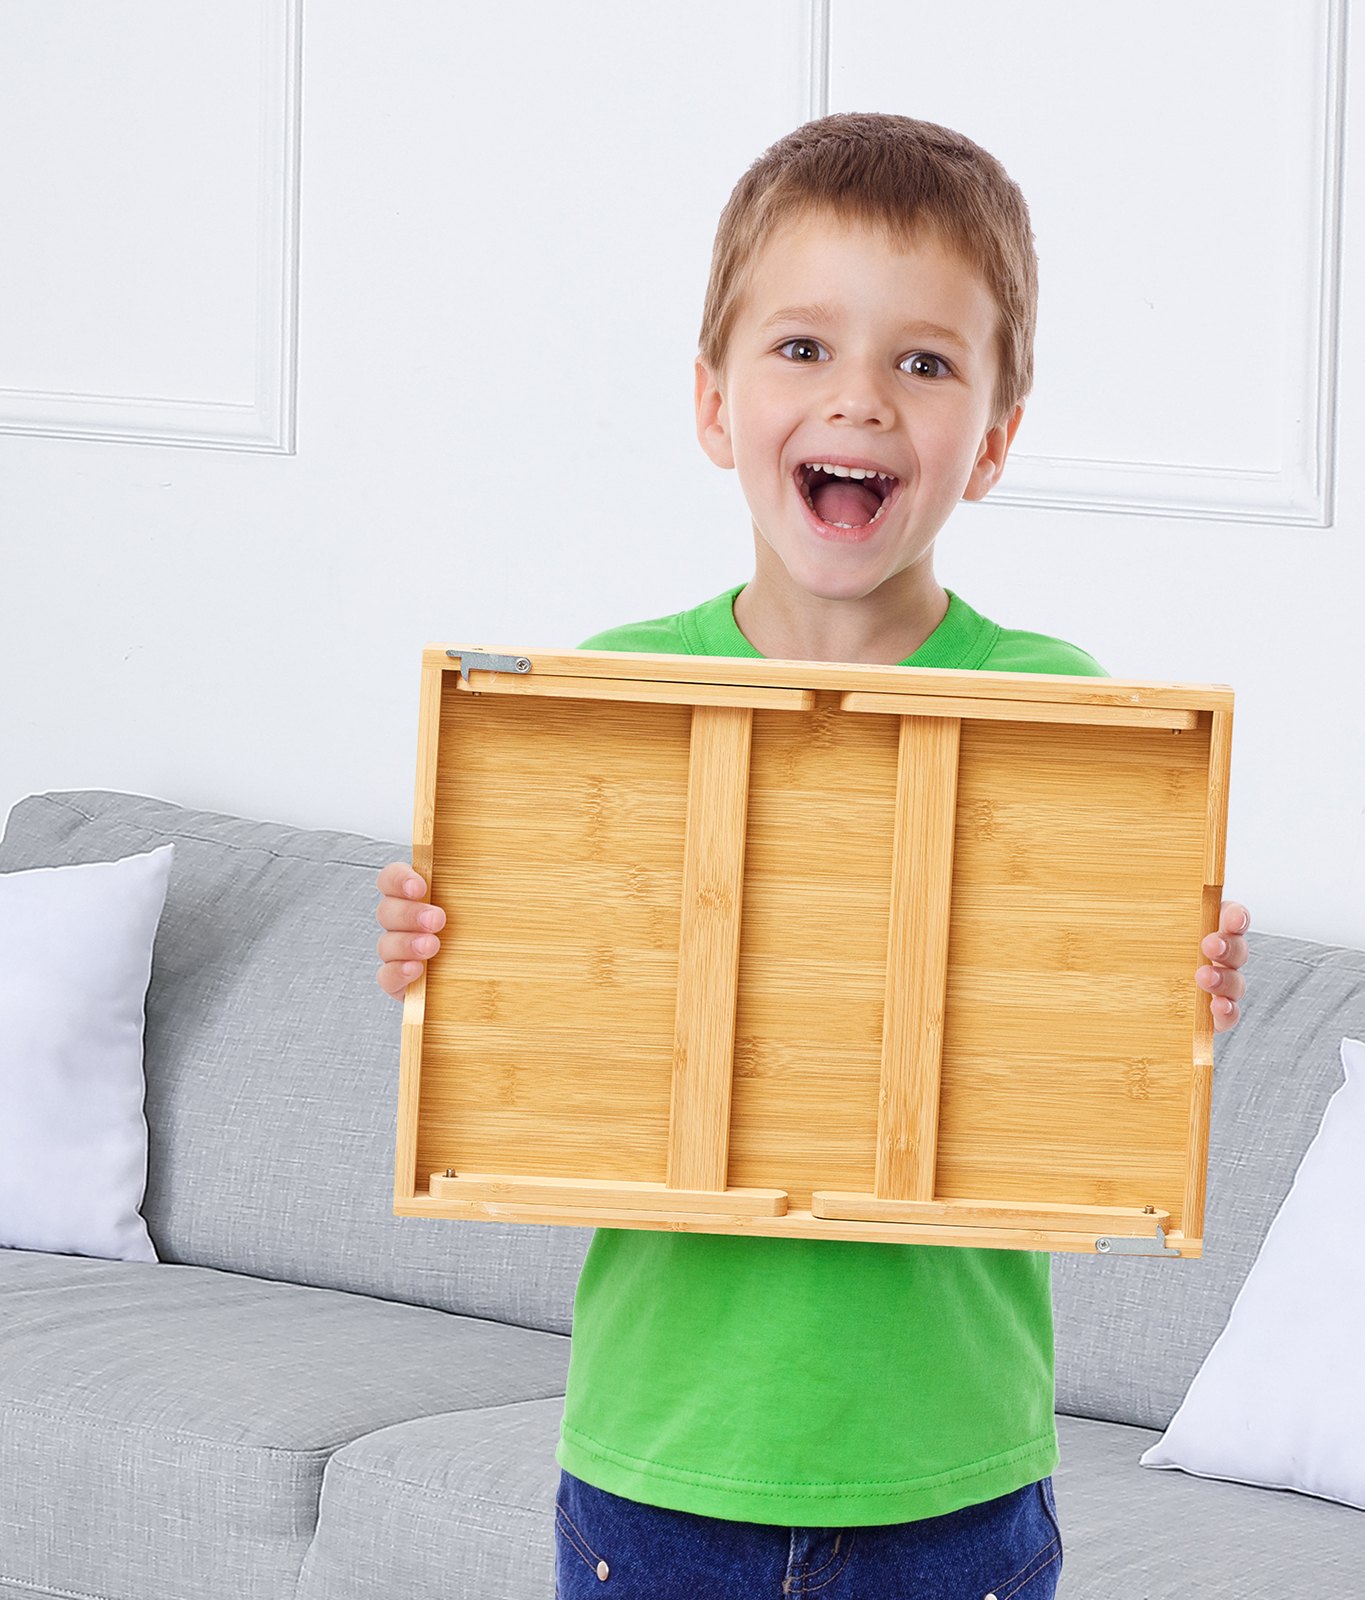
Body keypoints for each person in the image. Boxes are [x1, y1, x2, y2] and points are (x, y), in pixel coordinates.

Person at [374, 111, 1250, 1599]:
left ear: (996, 438)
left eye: (925, 362)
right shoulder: (610, 700)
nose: (861, 398)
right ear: (714, 403)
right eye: (802, 348)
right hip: (661, 1467)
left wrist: (1178, 995)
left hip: (951, 1481)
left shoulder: (1062, 712)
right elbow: (551, 1046)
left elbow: (1099, 1059)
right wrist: (446, 958)